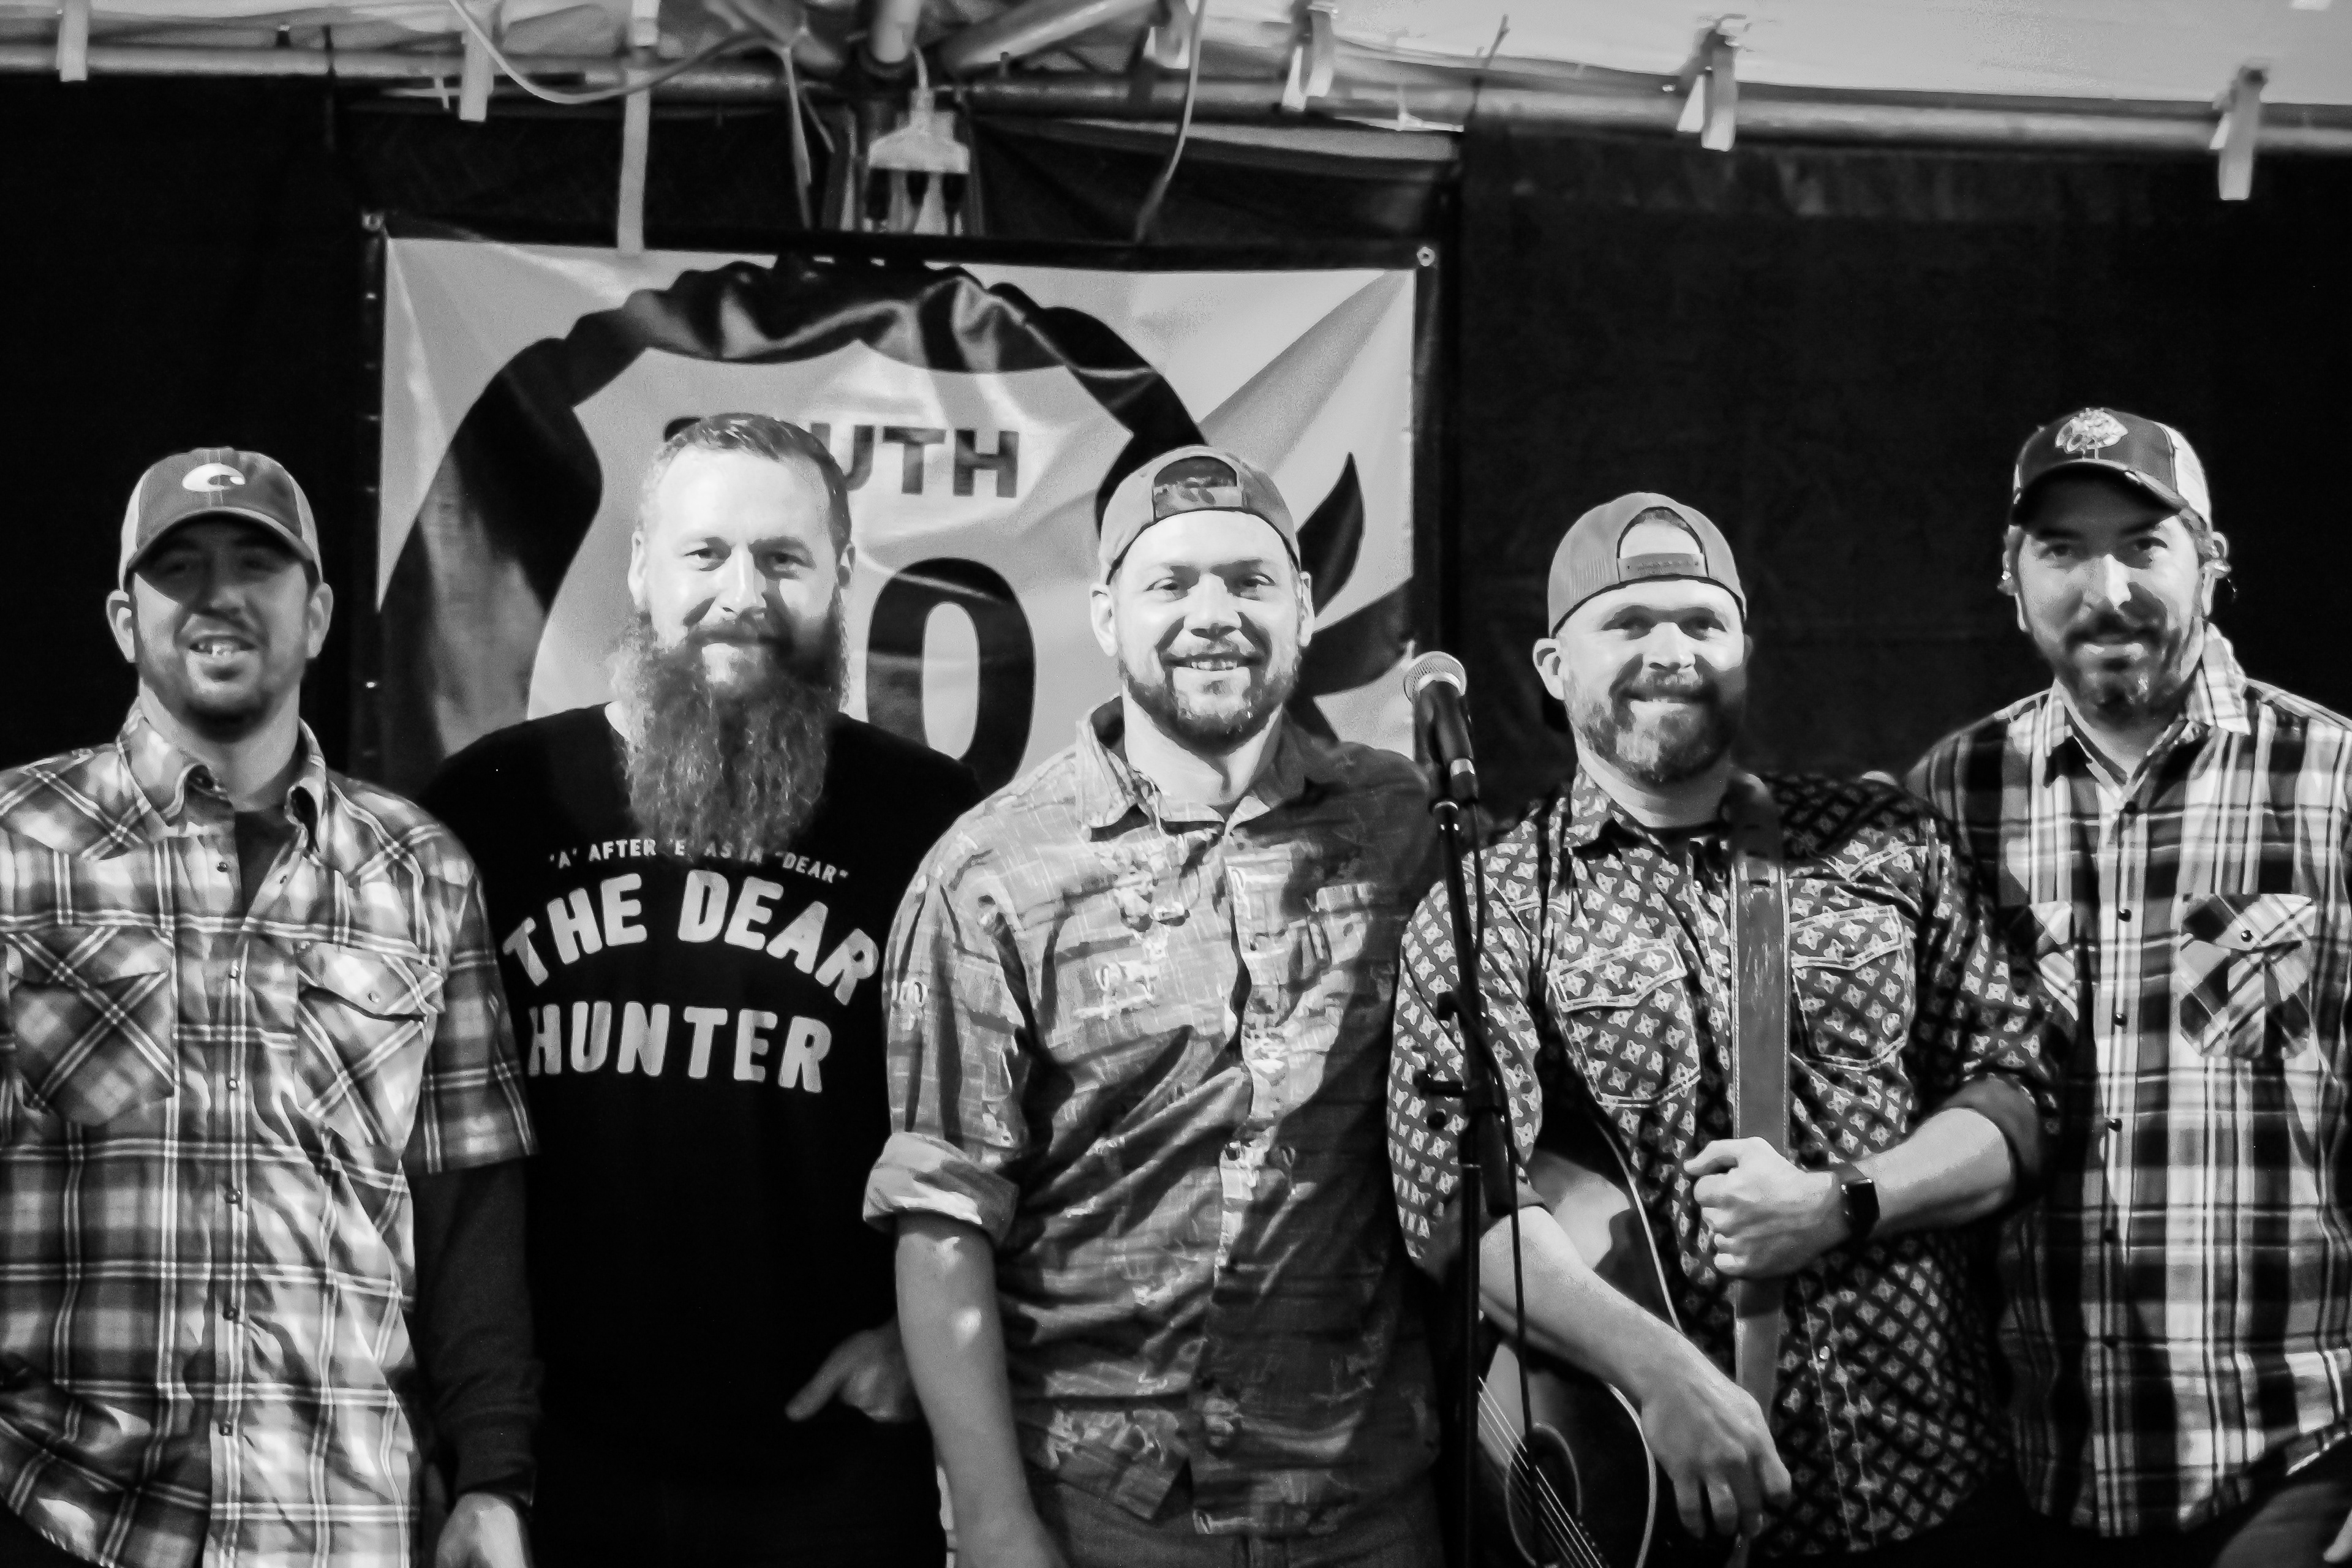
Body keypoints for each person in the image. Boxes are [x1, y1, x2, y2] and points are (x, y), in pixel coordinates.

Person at [1390, 493, 2056, 1566]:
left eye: (1703, 623)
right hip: (1666, 1512)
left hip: (1931, 1484)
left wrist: (1842, 1204)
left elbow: (2018, 1094)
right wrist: (1663, 1374)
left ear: (1745, 649)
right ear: (1553, 667)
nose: (1671, 651)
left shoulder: (1886, 844)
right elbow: (1455, 1208)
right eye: (1629, 622)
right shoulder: (1495, 905)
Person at [866, 446, 1444, 1568]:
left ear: (1305, 606)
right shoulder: (993, 872)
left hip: (1368, 1503)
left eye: (1249, 581)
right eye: (1171, 583)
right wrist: (992, 1522)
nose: (1213, 615)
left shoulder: (1402, 825)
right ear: (1105, 614)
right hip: (1107, 1511)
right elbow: (942, 1218)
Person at [421, 413, 979, 1568]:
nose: (743, 594)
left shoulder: (933, 820)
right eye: (706, 553)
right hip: (545, 1468)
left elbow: (1013, 1122)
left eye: (783, 558)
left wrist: (914, 1339)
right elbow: (418, 1145)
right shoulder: (489, 803)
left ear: (841, 575)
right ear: (640, 568)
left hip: (830, 1475)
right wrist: (478, 1441)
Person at [0, 448, 535, 1568]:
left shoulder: (422, 872)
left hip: (338, 1523)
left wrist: (495, 1476)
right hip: (63, 1516)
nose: (219, 596)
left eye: (256, 563)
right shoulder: (14, 845)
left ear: (320, 613)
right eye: (179, 568)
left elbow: (468, 1212)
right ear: (123, 620)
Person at [1910, 408, 2352, 1567]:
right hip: (2033, 1467)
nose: (2104, 590)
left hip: (2292, 1459)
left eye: (2143, 546)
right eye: (2061, 550)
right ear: (2012, 583)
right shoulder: (1953, 793)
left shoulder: (2332, 778)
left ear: (2212, 562)